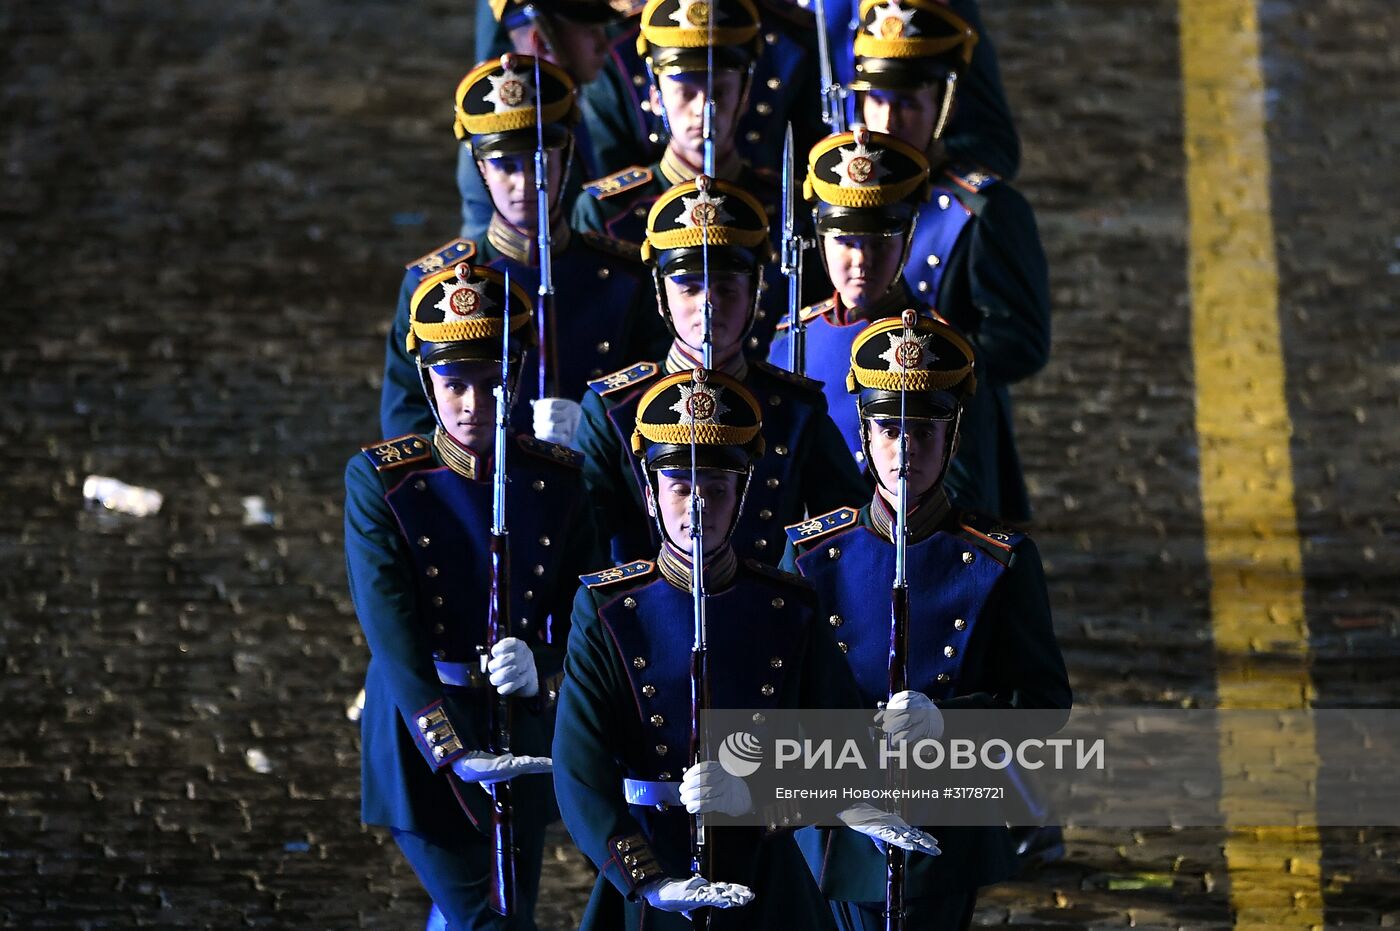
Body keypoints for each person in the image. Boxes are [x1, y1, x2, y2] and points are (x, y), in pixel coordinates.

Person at [554, 368, 937, 929]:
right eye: (682, 488)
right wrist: (650, 881)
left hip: (765, 866)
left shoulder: (787, 603)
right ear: (652, 494)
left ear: (741, 494)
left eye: (716, 489)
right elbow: (579, 767)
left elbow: (837, 738)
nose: (699, 507)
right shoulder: (609, 609)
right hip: (653, 860)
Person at [779, 314, 1072, 930]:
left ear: (953, 436)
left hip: (945, 825)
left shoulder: (998, 560)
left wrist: (951, 722)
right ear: (863, 429)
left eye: (924, 430)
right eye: (888, 429)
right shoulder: (812, 556)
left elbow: (1043, 705)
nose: (904, 449)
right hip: (834, 830)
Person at [346, 262, 602, 929]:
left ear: (514, 377)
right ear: (428, 380)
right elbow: (391, 632)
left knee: (500, 914)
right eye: (454, 383)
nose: (472, 403)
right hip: (420, 738)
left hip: (516, 724)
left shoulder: (556, 480)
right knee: (489, 920)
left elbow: (587, 606)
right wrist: (450, 746)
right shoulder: (386, 483)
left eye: (490, 383)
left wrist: (543, 661)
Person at [576, 174, 865, 564]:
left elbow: (847, 537)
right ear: (662, 295)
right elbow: (581, 542)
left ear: (754, 294)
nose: (707, 306)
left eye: (727, 289)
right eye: (689, 287)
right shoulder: (612, 408)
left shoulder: (796, 407)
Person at [382, 54, 668, 445]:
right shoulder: (434, 287)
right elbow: (409, 422)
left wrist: (592, 436)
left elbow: (657, 403)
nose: (524, 183)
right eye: (505, 166)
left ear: (565, 156)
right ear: (481, 169)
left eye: (538, 161)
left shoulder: (625, 274)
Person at [851, 0, 1051, 523]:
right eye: (877, 101)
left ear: (944, 104)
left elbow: (1022, 342)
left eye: (909, 103)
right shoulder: (838, 202)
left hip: (948, 442)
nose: (889, 120)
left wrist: (934, 363)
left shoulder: (984, 209)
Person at [571, 0, 803, 355]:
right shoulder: (609, 212)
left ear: (744, 97)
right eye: (685, 91)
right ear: (656, 97)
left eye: (721, 91)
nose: (703, 108)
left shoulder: (789, 206)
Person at [582, 0, 826, 178]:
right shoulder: (620, 43)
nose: (702, 108)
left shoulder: (792, 38)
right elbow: (609, 170)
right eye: (687, 93)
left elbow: (810, 161)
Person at [459, 0, 624, 241]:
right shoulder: (503, 123)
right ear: (542, 41)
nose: (603, 44)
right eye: (590, 31)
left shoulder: (561, 102)